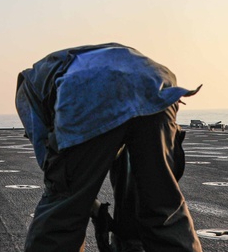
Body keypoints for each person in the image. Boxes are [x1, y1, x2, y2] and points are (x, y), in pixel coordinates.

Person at [16, 43, 203, 252]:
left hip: (90, 90)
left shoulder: (27, 87)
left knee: (63, 207)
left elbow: (50, 159)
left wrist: (83, 200)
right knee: (161, 202)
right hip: (155, 84)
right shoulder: (72, 62)